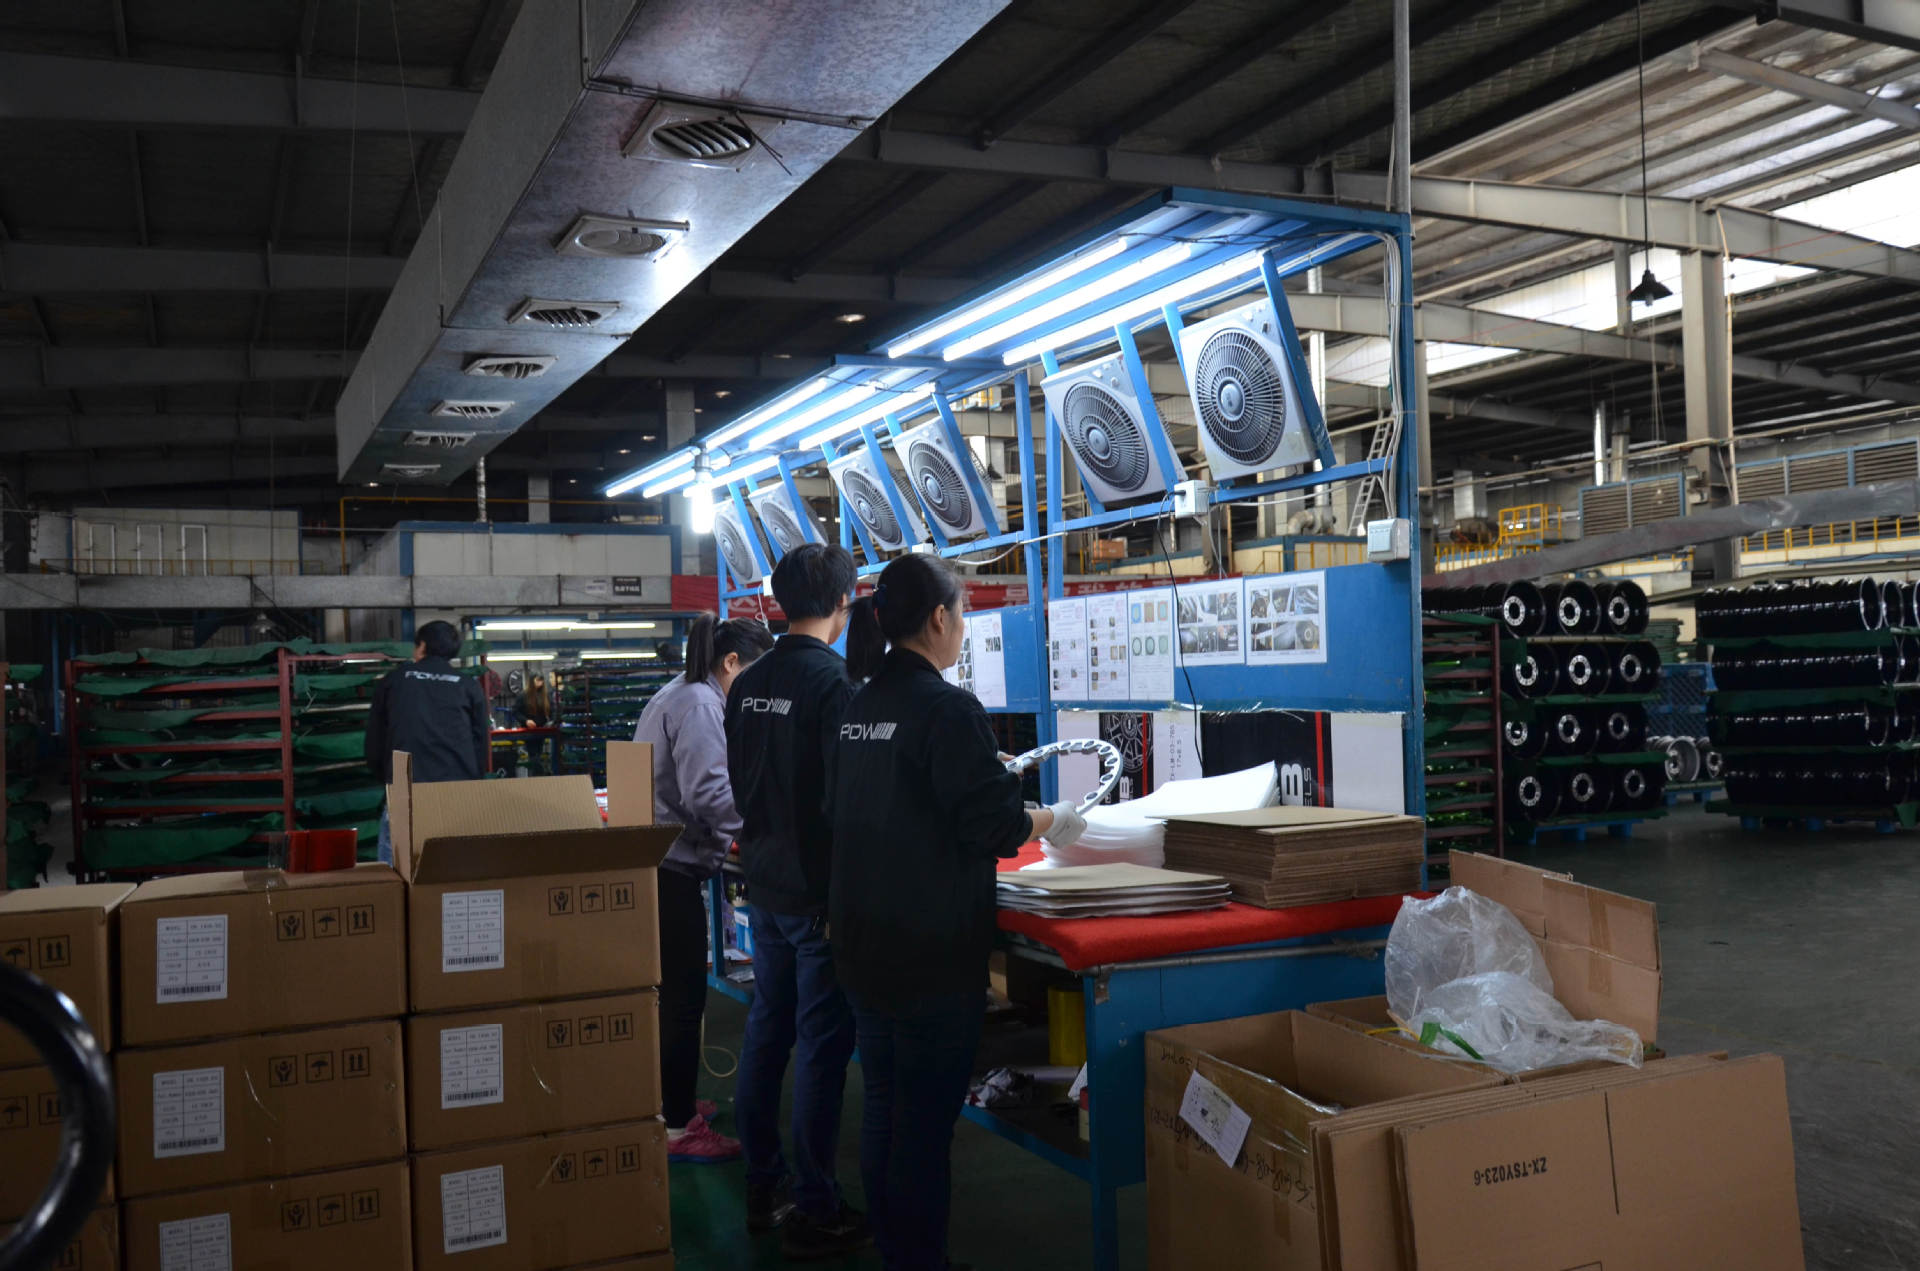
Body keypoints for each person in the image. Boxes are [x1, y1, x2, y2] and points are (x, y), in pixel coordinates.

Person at [829, 555, 1087, 1271]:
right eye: (964, 612)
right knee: (921, 1128)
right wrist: (1053, 818)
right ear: (940, 618)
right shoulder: (945, 708)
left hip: (864, 942)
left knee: (885, 1106)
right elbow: (994, 825)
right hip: (928, 954)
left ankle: (897, 1251)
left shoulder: (859, 706)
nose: (964, 626)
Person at [725, 544, 867, 1257]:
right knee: (819, 1047)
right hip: (816, 895)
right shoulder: (835, 685)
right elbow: (845, 801)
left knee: (767, 1030)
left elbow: (738, 781)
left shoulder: (748, 683)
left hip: (765, 884)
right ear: (844, 602)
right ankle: (816, 1203)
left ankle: (764, 1182)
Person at [634, 613, 775, 1164]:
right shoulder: (698, 704)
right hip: (670, 866)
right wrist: (769, 829)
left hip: (662, 860)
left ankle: (671, 1104)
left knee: (674, 997)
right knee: (683, 1001)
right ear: (732, 663)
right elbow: (711, 795)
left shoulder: (686, 692)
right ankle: (676, 1127)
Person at [365, 619, 491, 865]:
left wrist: (390, 779)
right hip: (457, 794)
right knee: (455, 871)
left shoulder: (393, 682)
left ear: (421, 646)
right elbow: (480, 746)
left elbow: (374, 743)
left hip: (406, 791)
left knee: (397, 874)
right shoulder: (468, 686)